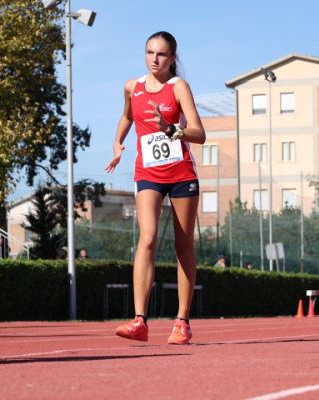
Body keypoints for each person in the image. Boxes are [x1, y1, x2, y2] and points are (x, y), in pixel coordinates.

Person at [105, 31, 205, 345]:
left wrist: (170, 129)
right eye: (150, 52)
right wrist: (118, 142)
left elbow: (199, 133)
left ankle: (182, 322)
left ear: (173, 57)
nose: (154, 59)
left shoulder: (178, 88)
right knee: (146, 238)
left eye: (161, 54)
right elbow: (126, 117)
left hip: (180, 173)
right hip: (147, 172)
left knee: (182, 246)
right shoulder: (131, 87)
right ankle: (139, 321)